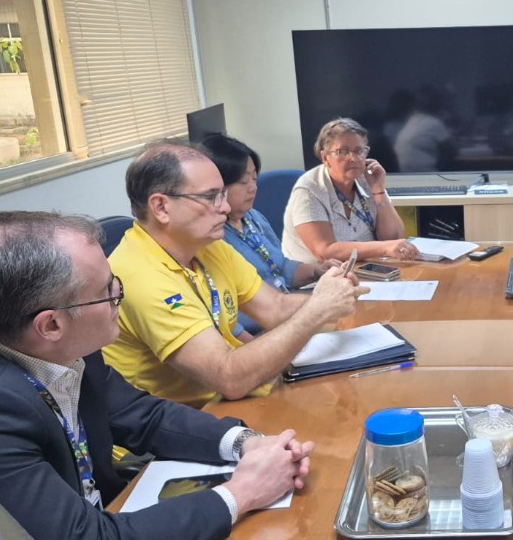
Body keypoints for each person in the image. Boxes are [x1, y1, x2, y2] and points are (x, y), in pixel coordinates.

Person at [0, 211, 316, 540]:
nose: (119, 297)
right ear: (50, 324)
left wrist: (247, 443)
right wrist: (242, 492)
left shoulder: (62, 343)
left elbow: (144, 415)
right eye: (107, 292)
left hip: (114, 521)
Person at [103, 140, 367, 409]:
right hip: (178, 429)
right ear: (160, 207)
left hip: (229, 402)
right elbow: (227, 377)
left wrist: (330, 295)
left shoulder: (208, 246)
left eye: (223, 194)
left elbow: (275, 307)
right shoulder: (140, 276)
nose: (226, 207)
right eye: (210, 197)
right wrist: (317, 309)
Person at [200, 133, 340, 334]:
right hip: (262, 328)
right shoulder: (212, 238)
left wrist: (316, 271)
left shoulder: (252, 217)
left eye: (255, 179)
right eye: (243, 181)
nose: (253, 188)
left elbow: (280, 267)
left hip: (288, 310)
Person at [283, 118, 419, 263]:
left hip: (367, 267)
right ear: (325, 157)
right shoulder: (309, 190)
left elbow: (393, 238)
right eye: (343, 151)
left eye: (359, 151)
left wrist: (378, 191)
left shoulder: (367, 178)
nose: (353, 158)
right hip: (318, 277)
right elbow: (325, 251)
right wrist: (383, 248)